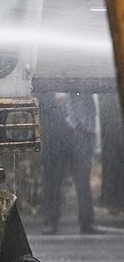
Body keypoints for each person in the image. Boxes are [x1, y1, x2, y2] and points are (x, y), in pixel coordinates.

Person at [40, 91, 101, 234]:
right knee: (53, 180)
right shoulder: (49, 78)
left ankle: (87, 222)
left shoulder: (81, 77)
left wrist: (90, 133)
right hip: (55, 134)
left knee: (83, 181)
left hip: (80, 132)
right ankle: (50, 221)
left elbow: (90, 103)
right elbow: (41, 100)